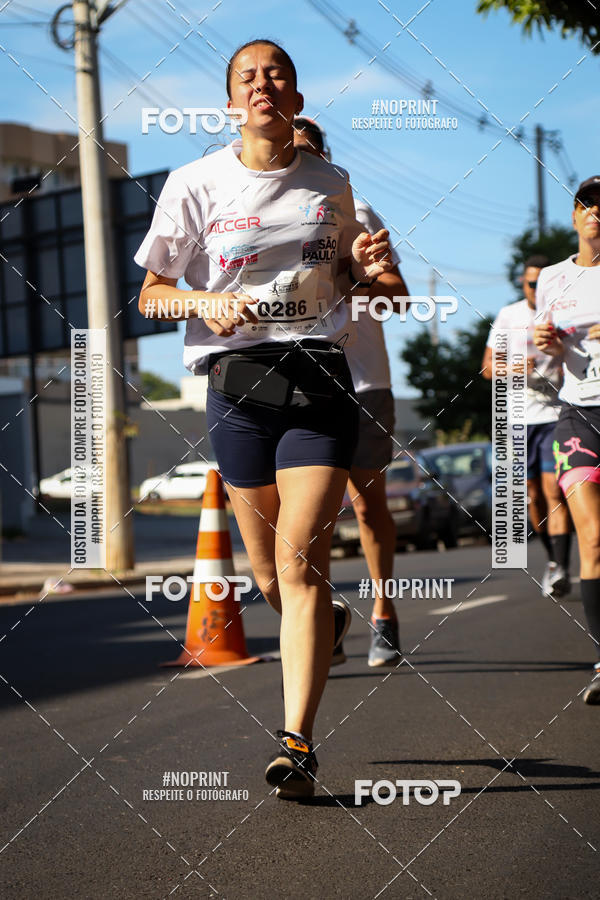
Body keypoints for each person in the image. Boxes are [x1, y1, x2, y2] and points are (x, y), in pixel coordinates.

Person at [135, 39, 393, 797]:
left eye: (276, 73)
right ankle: (334, 625)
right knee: (266, 576)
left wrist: (364, 264)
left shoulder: (330, 182)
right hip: (236, 382)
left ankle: (298, 745)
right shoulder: (195, 182)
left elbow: (344, 275)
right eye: (247, 76)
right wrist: (205, 300)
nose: (262, 84)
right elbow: (152, 293)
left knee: (297, 564)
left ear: (297, 99)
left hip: (317, 376)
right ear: (229, 104)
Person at [293, 117, 410, 666]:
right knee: (304, 520)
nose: (295, 158)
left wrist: (352, 273)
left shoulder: (358, 214)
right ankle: (324, 619)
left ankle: (383, 613)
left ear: (325, 157)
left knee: (366, 507)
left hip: (361, 378)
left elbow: (398, 300)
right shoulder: (249, 214)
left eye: (307, 150)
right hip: (293, 383)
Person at [533, 175, 600, 705]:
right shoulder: (554, 279)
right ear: (575, 215)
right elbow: (543, 361)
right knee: (593, 538)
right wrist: (544, 343)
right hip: (577, 414)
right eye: (588, 204)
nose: (596, 212)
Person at [482, 256, 572, 596]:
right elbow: (488, 368)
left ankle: (562, 566)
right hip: (515, 419)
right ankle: (552, 559)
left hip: (554, 415)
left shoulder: (563, 312)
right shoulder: (509, 315)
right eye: (529, 283)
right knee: (532, 496)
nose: (534, 289)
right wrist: (518, 365)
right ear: (522, 284)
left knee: (553, 492)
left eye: (539, 283)